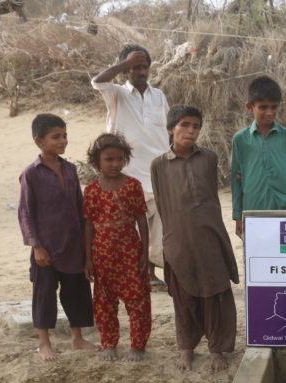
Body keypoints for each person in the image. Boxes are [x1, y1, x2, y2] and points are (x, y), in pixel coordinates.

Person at [150, 105, 239, 372]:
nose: (191, 131)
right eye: (185, 125)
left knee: (216, 293)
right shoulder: (159, 165)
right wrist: (170, 239)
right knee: (183, 295)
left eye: (196, 126)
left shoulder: (209, 158)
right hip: (178, 238)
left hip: (209, 235)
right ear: (171, 129)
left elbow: (210, 197)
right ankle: (186, 348)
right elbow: (164, 204)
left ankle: (217, 349)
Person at [17, 114, 96, 361]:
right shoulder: (31, 174)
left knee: (76, 291)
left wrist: (86, 247)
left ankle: (77, 338)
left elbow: (80, 208)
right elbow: (25, 213)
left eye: (64, 136)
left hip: (72, 244)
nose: (63, 141)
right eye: (56, 137)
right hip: (46, 247)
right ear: (39, 141)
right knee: (44, 293)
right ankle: (44, 343)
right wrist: (37, 246)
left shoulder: (70, 169)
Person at [92, 44, 169, 290]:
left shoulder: (159, 96)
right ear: (126, 70)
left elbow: (166, 130)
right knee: (130, 229)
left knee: (158, 229)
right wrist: (124, 63)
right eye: (135, 67)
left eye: (144, 66)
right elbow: (97, 81)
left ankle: (150, 273)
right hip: (127, 173)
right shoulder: (116, 93)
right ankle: (130, 276)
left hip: (158, 172)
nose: (140, 71)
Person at [82, 133, 151, 362]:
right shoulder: (91, 191)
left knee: (137, 301)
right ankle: (109, 343)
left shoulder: (133, 186)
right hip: (102, 255)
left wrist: (145, 253)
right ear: (97, 161)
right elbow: (89, 226)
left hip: (130, 253)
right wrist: (88, 259)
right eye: (109, 159)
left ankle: (138, 346)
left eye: (120, 159)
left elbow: (142, 220)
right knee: (104, 302)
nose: (115, 164)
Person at [231, 76, 286, 239]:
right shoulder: (240, 140)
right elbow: (236, 180)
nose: (269, 113)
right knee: (258, 258)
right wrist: (237, 215)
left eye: (274, 107)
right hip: (254, 209)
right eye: (263, 107)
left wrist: (280, 182)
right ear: (250, 107)